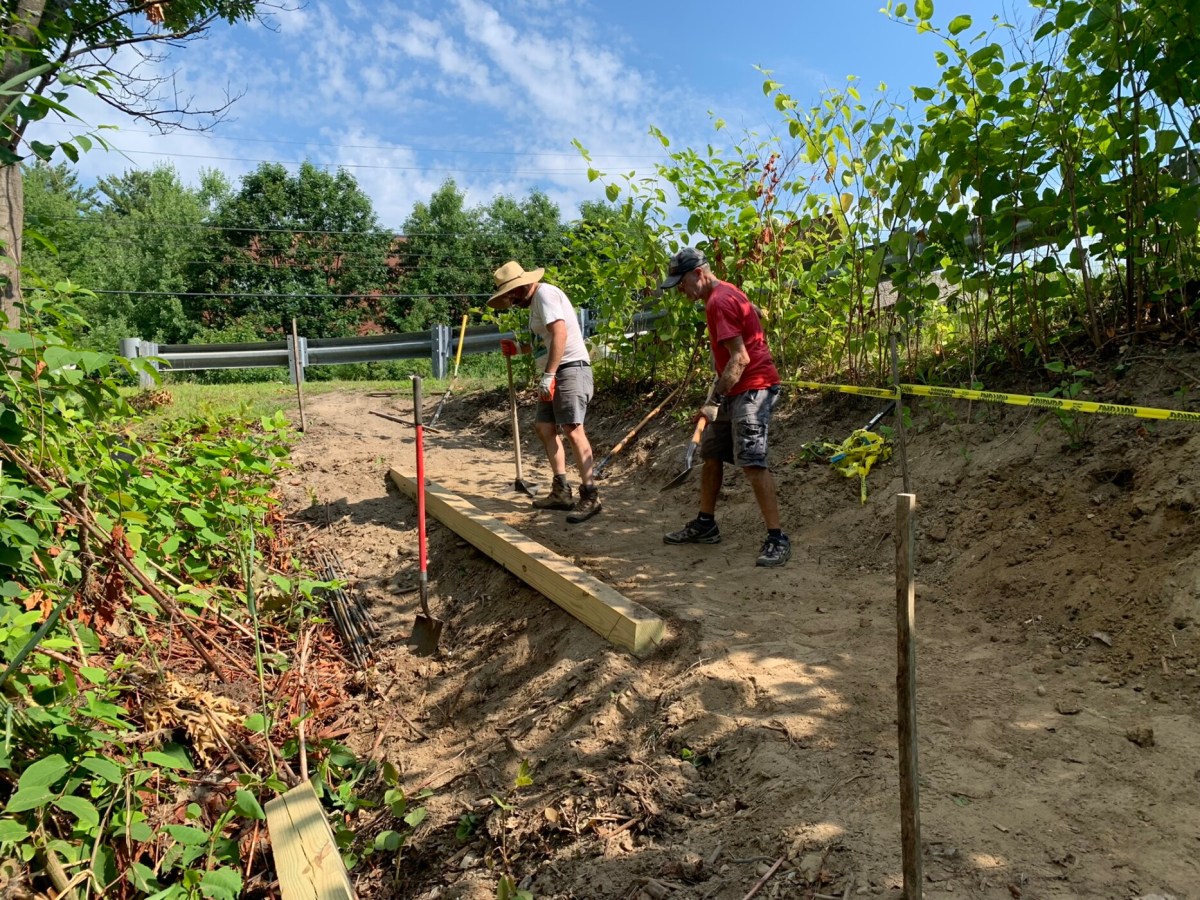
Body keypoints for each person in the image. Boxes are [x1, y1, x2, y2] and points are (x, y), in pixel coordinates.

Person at [658, 247, 789, 567]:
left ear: (699, 274)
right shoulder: (724, 293)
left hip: (753, 389)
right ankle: (706, 524)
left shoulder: (718, 301)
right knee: (712, 454)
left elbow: (740, 358)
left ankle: (777, 538)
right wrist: (717, 394)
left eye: (682, 283)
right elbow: (753, 314)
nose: (681, 291)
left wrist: (713, 401)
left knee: (752, 462)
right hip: (733, 386)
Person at [488, 261, 601, 524]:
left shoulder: (545, 294)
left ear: (521, 286)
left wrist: (549, 376)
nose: (510, 301)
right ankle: (561, 491)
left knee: (573, 429)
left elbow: (559, 333)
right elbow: (544, 342)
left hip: (569, 369)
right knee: (544, 427)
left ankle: (591, 495)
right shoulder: (535, 303)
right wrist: (519, 348)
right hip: (555, 371)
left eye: (511, 295)